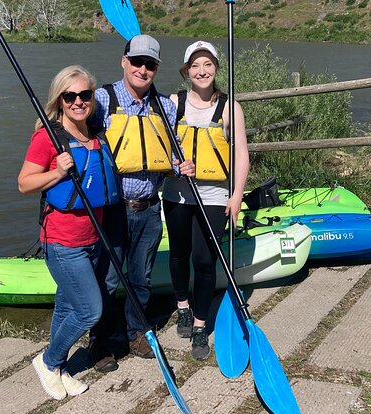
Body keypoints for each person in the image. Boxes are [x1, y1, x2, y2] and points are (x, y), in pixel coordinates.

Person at [88, 34, 196, 372]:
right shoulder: (101, 100)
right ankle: (100, 341)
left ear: (156, 69)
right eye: (137, 62)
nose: (142, 69)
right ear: (124, 61)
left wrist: (182, 166)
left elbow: (169, 151)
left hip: (150, 207)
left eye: (150, 64)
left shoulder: (164, 107)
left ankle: (135, 332)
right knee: (106, 279)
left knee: (141, 277)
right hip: (114, 208)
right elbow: (74, 131)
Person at [18, 65, 119, 399]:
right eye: (70, 96)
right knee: (90, 310)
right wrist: (57, 172)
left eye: (84, 95)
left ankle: (59, 369)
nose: (78, 101)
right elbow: (24, 183)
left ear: (92, 98)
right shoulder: (47, 137)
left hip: (92, 240)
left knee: (65, 307)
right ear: (59, 100)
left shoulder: (95, 135)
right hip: (62, 242)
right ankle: (48, 361)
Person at [162, 41, 249, 360]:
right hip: (177, 195)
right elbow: (161, 147)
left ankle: (200, 326)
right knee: (179, 254)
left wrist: (237, 196)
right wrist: (175, 165)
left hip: (214, 196)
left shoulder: (230, 107)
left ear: (215, 68)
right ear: (186, 72)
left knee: (203, 259)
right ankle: (182, 307)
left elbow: (241, 154)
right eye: (195, 65)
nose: (202, 71)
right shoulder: (173, 102)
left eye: (208, 64)